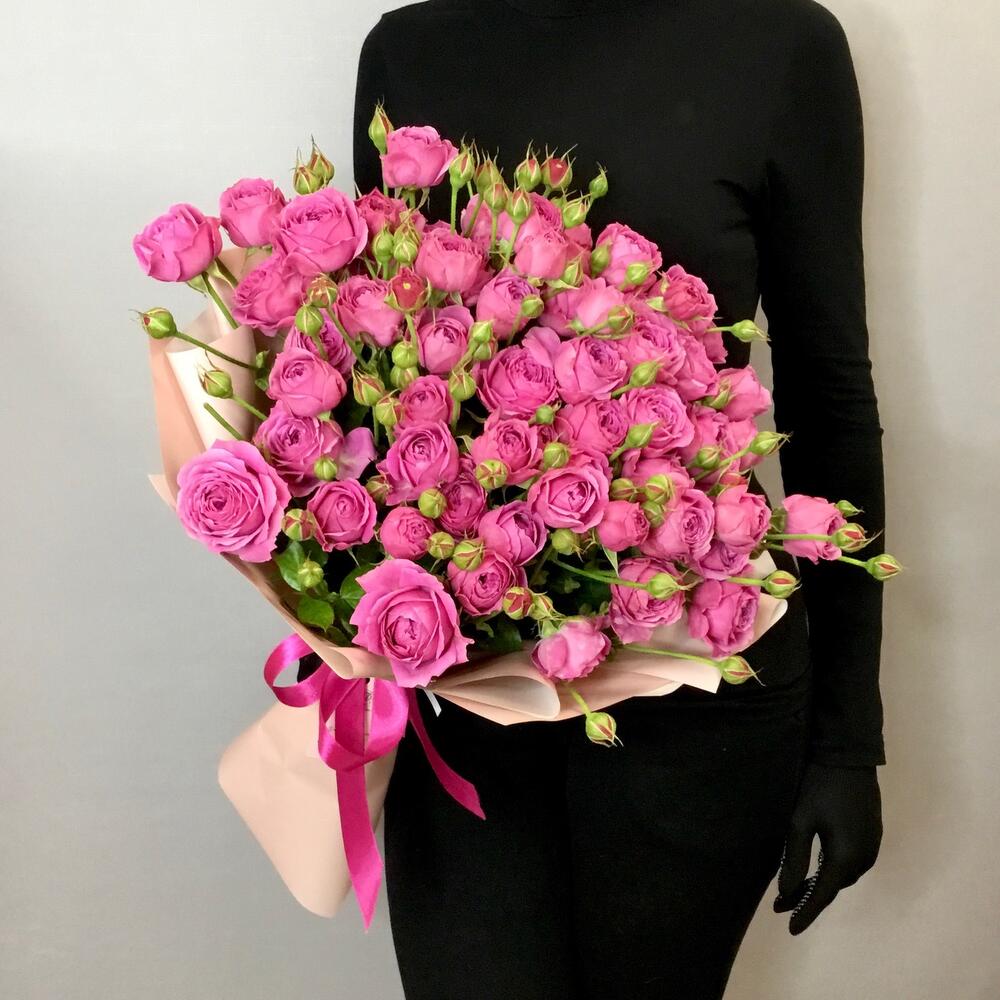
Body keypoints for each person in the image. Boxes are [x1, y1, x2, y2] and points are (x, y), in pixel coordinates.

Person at [347, 1, 887, 996]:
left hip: (699, 678)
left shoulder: (779, 47)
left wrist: (847, 744)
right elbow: (383, 372)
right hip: (464, 677)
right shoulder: (412, 50)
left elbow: (827, 394)